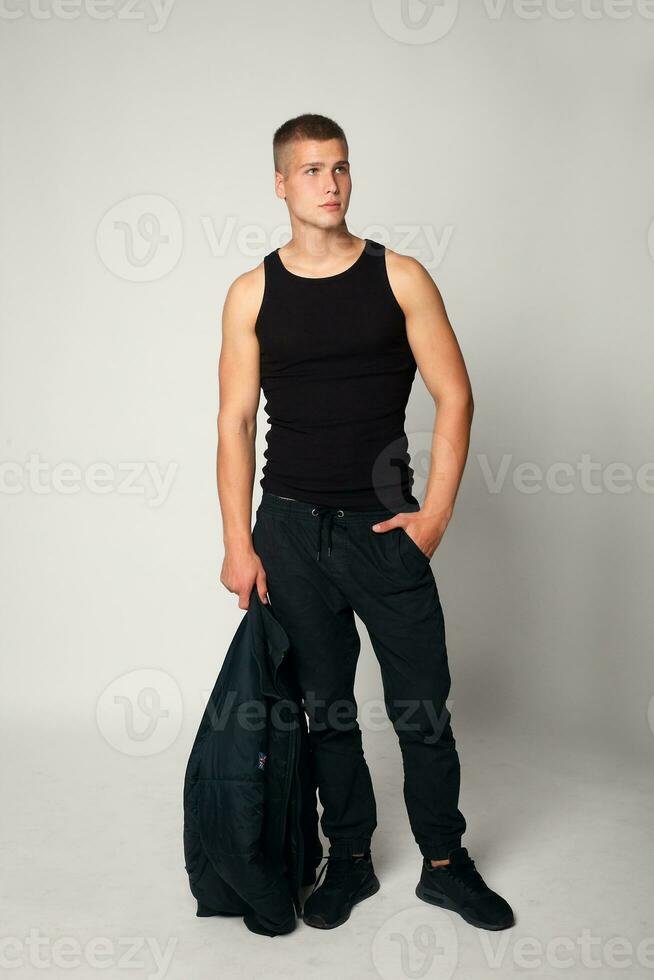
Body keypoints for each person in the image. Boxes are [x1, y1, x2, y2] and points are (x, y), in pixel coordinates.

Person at [216, 113, 514, 932]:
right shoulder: (252, 292)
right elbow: (235, 423)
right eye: (311, 170)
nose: (331, 183)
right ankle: (347, 858)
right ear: (281, 183)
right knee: (326, 709)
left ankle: (446, 866)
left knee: (423, 709)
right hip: (287, 530)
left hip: (383, 533)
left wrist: (435, 517)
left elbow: (456, 396)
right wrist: (239, 541)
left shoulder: (401, 276)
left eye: (340, 167)